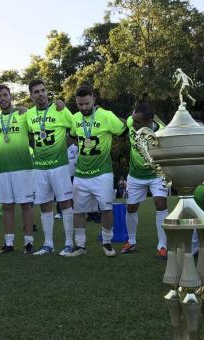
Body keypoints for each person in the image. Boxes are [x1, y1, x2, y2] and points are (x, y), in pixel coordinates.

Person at [67, 85, 125, 257]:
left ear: (94, 98)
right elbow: (72, 135)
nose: (83, 108)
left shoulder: (106, 115)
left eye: (86, 103)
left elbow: (123, 131)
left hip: (102, 173)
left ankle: (107, 242)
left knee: (106, 209)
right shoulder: (75, 118)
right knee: (78, 211)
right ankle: (80, 246)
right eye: (80, 104)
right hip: (81, 174)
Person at [26, 79, 75, 256]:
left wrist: (65, 108)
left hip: (59, 166)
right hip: (40, 167)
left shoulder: (59, 109)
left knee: (65, 203)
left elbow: (74, 126)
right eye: (36, 92)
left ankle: (69, 243)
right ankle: (48, 244)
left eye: (43, 90)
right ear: (31, 96)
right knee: (45, 204)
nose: (41, 94)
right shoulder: (29, 115)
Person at [121, 102, 168, 259]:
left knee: (160, 203)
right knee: (131, 208)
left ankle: (162, 246)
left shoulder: (162, 132)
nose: (132, 123)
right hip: (135, 175)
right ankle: (131, 241)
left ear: (149, 121)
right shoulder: (130, 122)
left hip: (156, 175)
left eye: (137, 121)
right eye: (133, 118)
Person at [0, 84, 35, 253]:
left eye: (5, 95)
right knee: (7, 206)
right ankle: (9, 243)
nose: (2, 98)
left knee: (26, 205)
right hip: (3, 169)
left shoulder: (23, 114)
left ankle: (28, 242)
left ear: (11, 97)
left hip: (22, 167)